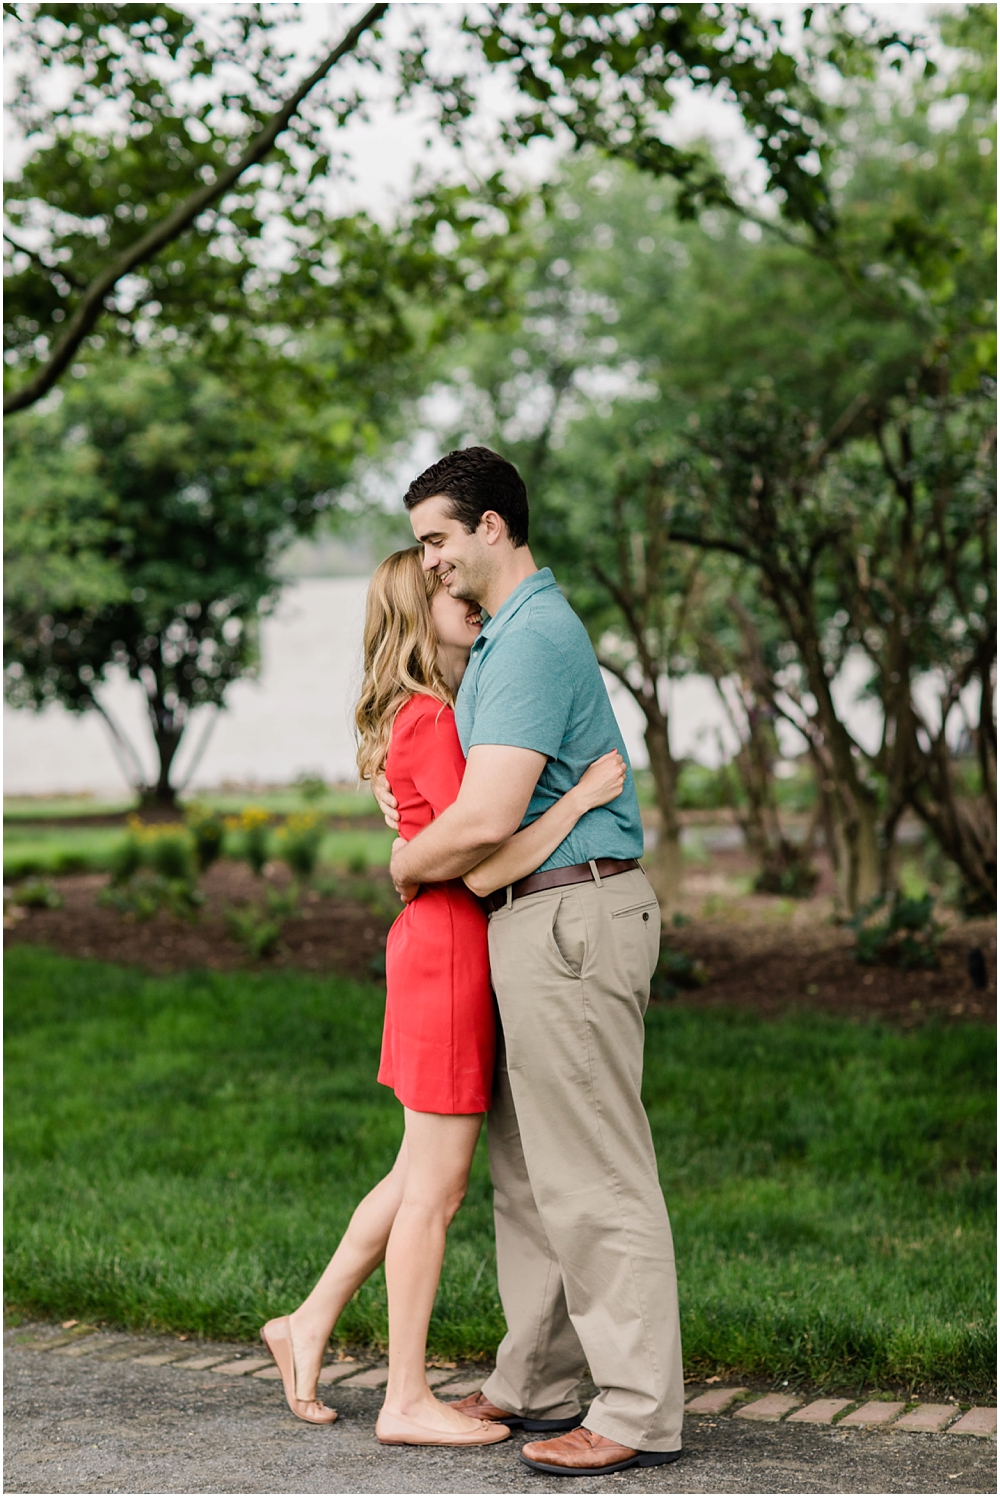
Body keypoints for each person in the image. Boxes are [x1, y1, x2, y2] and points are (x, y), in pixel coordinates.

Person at [261, 545, 628, 1449]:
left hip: (443, 947)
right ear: (414, 615)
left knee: (414, 1174)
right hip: (452, 951)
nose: (457, 590)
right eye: (437, 587)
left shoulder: (429, 712)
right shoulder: (428, 718)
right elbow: (479, 849)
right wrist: (580, 799)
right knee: (436, 1187)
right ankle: (406, 1399)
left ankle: (307, 1324)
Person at [376, 446, 685, 1476]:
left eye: (438, 540)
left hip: (572, 913)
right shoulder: (503, 639)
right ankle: (535, 1383)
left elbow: (487, 816)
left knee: (593, 1172)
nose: (430, 564)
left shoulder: (532, 638)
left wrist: (406, 858)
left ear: (493, 527)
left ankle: (635, 1408)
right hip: (533, 913)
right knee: (529, 1174)